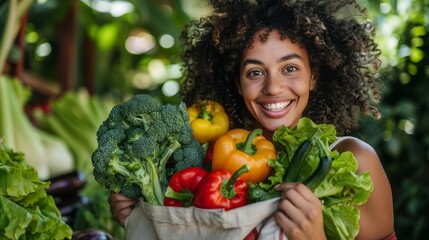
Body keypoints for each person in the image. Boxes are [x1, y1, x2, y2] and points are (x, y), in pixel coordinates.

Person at [108, 0, 395, 239]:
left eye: (290, 68)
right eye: (255, 72)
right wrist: (144, 214)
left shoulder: (354, 161)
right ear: (237, 83)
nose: (273, 87)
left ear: (314, 76)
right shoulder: (210, 160)